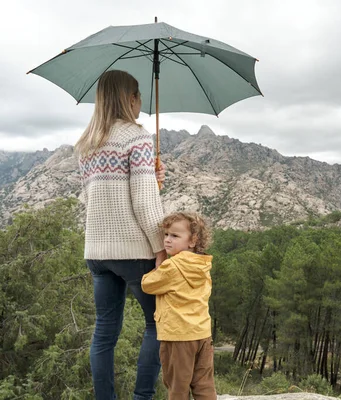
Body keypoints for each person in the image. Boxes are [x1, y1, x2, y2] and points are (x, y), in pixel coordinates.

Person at [76, 69, 167, 400]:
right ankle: (142, 397)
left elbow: (91, 198)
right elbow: (144, 203)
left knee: (104, 333)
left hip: (97, 252)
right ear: (130, 98)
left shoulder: (87, 144)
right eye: (138, 95)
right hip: (133, 251)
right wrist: (161, 248)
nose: (141, 101)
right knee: (158, 324)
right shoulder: (137, 137)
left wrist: (152, 179)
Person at [141, 212, 217, 400]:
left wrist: (159, 264)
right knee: (204, 385)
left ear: (193, 241)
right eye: (166, 235)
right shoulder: (203, 265)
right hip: (202, 334)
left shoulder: (172, 267)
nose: (167, 240)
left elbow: (148, 285)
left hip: (178, 336)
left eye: (175, 236)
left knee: (177, 387)